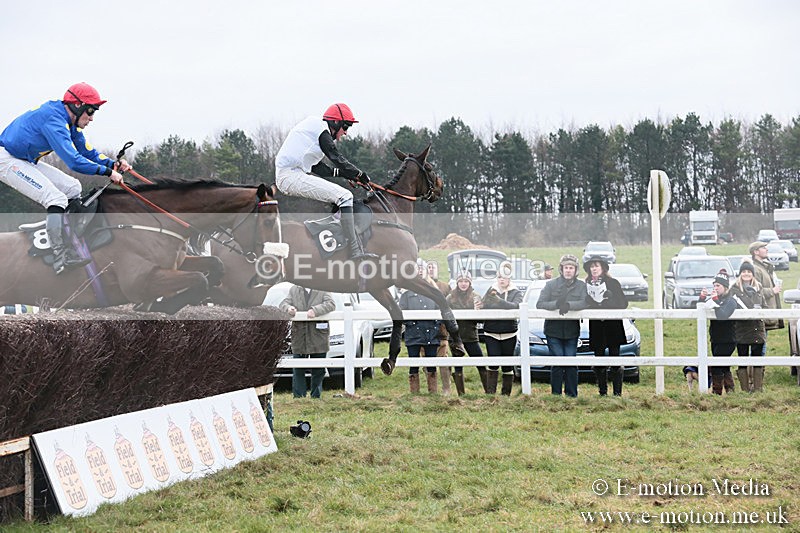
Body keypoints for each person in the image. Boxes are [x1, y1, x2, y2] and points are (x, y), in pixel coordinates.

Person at [0, 82, 129, 274]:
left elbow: (86, 151)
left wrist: (113, 164)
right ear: (78, 106)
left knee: (73, 187)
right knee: (56, 198)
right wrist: (108, 173)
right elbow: (74, 162)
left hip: (25, 159)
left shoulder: (69, 120)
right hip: (6, 159)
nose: (92, 118)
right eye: (91, 111)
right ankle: (59, 255)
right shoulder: (54, 120)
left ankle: (72, 238)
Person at [274, 103, 377, 262]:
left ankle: (331, 231)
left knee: (342, 196)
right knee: (345, 196)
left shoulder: (313, 134)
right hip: (289, 176)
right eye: (346, 126)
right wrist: (359, 174)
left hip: (292, 173)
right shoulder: (321, 130)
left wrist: (348, 175)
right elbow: (336, 156)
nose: (346, 132)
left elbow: (321, 169)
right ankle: (355, 250)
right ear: (336, 122)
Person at [536, 254, 588, 397]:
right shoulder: (551, 285)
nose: (568, 270)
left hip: (572, 331)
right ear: (561, 269)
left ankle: (572, 395)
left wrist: (569, 305)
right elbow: (540, 303)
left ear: (575, 270)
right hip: (553, 330)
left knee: (571, 362)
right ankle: (556, 395)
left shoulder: (582, 285)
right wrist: (556, 305)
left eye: (571, 268)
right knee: (558, 362)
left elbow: (585, 302)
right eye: (566, 268)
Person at [279, 285, 336, 398]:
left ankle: (316, 396)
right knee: (298, 368)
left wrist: (316, 310)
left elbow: (331, 304)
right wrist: (288, 308)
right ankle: (299, 396)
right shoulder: (294, 289)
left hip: (318, 336)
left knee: (318, 369)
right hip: (299, 336)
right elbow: (283, 303)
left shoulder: (322, 287)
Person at [583, 256, 628, 396]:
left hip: (612, 325)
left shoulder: (613, 283)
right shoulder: (586, 284)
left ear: (603, 268)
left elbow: (623, 304)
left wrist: (610, 299)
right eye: (591, 266)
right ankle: (602, 391)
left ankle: (617, 393)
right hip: (597, 326)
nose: (594, 269)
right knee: (599, 359)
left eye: (596, 266)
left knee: (615, 358)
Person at [482, 260, 524, 395]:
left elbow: (515, 306)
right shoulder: (491, 290)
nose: (502, 280)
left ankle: (506, 394)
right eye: (499, 277)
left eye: (504, 277)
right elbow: (485, 305)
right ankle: (491, 394)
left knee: (507, 365)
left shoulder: (516, 292)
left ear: (509, 278)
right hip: (491, 332)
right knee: (493, 363)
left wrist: (500, 302)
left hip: (509, 333)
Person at [399, 260, 442, 393]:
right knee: (413, 364)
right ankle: (415, 393)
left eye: (422, 268)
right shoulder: (406, 295)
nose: (420, 271)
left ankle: (433, 392)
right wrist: (412, 324)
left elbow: (440, 310)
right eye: (417, 269)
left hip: (431, 333)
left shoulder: (434, 292)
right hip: (414, 334)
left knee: (432, 365)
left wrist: (435, 324)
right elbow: (401, 313)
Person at [729, 260, 767, 392]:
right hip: (741, 329)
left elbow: (764, 305)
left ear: (753, 274)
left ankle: (757, 389)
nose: (746, 274)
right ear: (740, 274)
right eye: (744, 271)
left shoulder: (759, 287)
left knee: (757, 358)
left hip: (757, 328)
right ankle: (745, 389)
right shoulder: (734, 289)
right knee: (743, 357)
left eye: (749, 272)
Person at [698, 269, 738, 394]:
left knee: (716, 365)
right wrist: (702, 298)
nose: (715, 288)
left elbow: (722, 315)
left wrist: (715, 301)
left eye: (718, 286)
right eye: (714, 285)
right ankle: (730, 390)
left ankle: (717, 391)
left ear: (725, 287)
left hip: (728, 339)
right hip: (715, 337)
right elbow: (700, 311)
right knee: (724, 365)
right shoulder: (715, 299)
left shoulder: (731, 301)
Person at [446, 269, 486, 394]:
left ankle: (489, 391)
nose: (463, 284)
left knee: (480, 362)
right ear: (457, 283)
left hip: (471, 336)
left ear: (470, 283)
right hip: (455, 337)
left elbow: (480, 320)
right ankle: (461, 394)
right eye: (461, 281)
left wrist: (478, 311)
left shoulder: (476, 297)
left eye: (466, 281)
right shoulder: (450, 297)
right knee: (458, 365)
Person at [426, 260, 453, 394]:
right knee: (425, 360)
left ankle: (447, 388)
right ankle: (432, 390)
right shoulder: (420, 285)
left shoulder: (445, 287)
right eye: (428, 267)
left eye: (433, 267)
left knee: (443, 359)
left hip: (441, 331)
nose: (431, 269)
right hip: (424, 330)